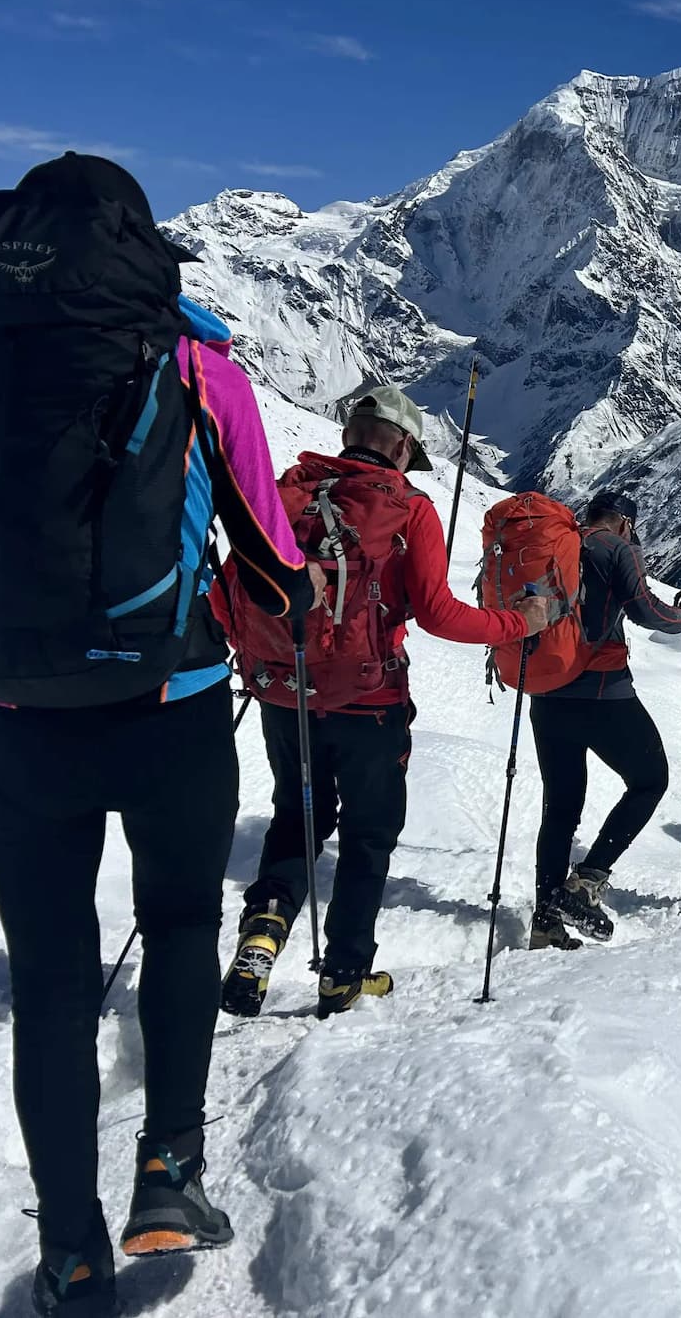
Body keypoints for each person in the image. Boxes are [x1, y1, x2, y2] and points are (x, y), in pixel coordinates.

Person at [0, 154, 316, 1315]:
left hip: (13, 719)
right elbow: (272, 570)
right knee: (184, 924)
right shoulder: (197, 366)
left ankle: (72, 1247)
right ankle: (169, 1173)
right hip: (169, 708)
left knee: (50, 982)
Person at [214, 386, 555, 1020]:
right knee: (369, 836)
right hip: (372, 703)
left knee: (296, 816)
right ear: (402, 445)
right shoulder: (409, 508)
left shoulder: (286, 493)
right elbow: (439, 615)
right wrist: (518, 623)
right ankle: (344, 974)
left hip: (284, 691)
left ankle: (262, 934)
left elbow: (231, 590)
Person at [528, 490, 681, 949]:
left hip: (547, 694)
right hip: (603, 693)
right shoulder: (617, 547)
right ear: (625, 522)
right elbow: (645, 609)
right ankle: (584, 884)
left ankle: (545, 920)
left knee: (561, 806)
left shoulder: (558, 543)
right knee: (650, 779)